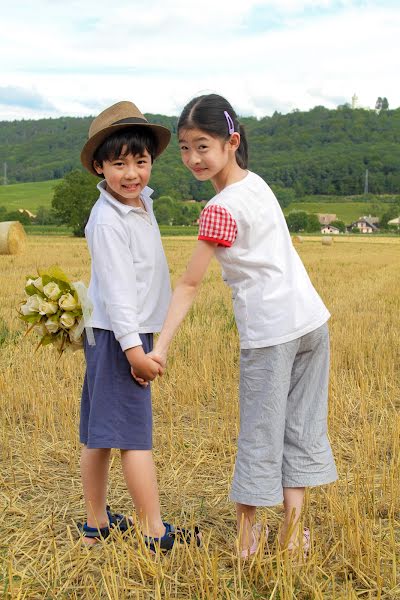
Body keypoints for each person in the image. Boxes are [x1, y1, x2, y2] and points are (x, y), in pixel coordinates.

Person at [139, 93, 337, 558]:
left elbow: (189, 284)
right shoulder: (258, 184)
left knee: (259, 433)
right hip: (311, 321)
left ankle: (248, 539)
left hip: (271, 332)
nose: (191, 159)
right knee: (300, 429)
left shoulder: (220, 208)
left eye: (202, 146)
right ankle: (292, 536)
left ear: (231, 141)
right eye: (185, 148)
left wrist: (160, 347)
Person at [78, 101, 201, 551]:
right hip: (119, 337)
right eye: (119, 163)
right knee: (133, 438)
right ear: (99, 166)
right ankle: (154, 532)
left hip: (119, 334)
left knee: (100, 433)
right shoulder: (109, 220)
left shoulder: (140, 204)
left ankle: (96, 524)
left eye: (141, 161)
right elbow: (116, 289)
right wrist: (134, 350)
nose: (132, 173)